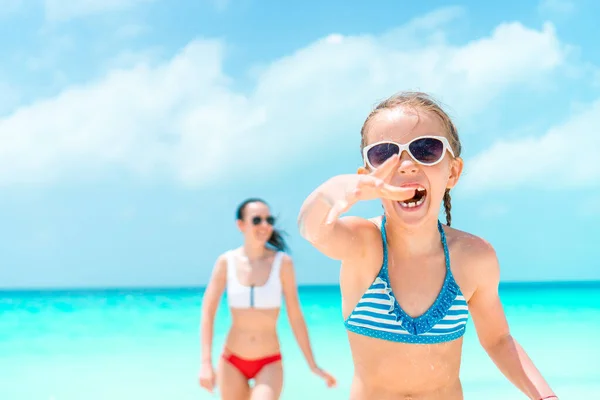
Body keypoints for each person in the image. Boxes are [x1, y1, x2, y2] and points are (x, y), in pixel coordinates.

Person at [297, 92, 558, 400]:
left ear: (453, 172)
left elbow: (498, 340)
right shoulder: (364, 245)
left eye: (426, 149)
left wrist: (547, 396)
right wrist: (338, 190)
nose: (406, 165)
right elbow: (311, 229)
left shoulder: (473, 258)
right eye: (385, 154)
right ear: (367, 174)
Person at [199, 198, 336, 400]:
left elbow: (295, 316)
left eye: (269, 220)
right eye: (257, 220)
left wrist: (312, 364)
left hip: (269, 362)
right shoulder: (226, 262)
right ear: (241, 225)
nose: (265, 225)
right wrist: (205, 364)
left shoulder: (282, 263)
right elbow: (208, 312)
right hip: (231, 360)